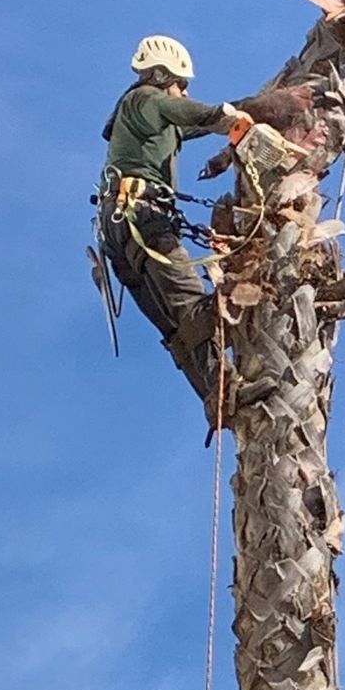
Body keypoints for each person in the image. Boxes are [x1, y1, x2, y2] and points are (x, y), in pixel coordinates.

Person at [96, 36, 251, 423]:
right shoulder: (144, 99)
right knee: (192, 304)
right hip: (141, 219)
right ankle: (224, 387)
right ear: (164, 75)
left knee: (177, 328)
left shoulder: (145, 122)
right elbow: (184, 111)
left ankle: (217, 400)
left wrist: (253, 108)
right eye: (182, 83)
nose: (184, 91)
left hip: (120, 237)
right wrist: (227, 117)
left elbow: (186, 122)